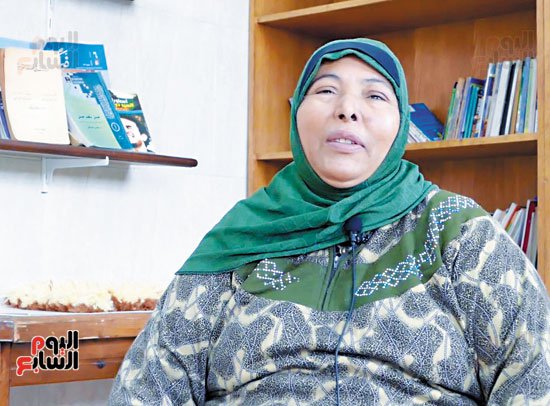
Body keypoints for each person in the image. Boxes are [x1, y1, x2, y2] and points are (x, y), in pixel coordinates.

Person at [109, 38, 550, 405]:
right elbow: (148, 385)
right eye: (325, 91)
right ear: (296, 114)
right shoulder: (242, 235)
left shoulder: (458, 233)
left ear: (400, 125)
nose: (347, 109)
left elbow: (535, 375)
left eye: (375, 96)